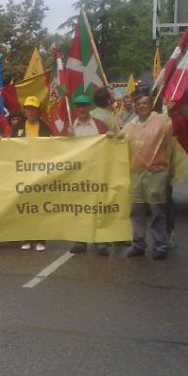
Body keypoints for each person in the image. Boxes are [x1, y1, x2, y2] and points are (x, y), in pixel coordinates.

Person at [123, 94, 175, 260]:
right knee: (137, 210)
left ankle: (160, 245)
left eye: (145, 103)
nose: (141, 106)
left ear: (151, 105)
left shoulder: (162, 120)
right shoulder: (130, 125)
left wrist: (173, 112)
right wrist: (110, 136)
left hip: (156, 173)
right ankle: (139, 244)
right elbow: (120, 140)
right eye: (139, 103)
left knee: (157, 211)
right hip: (136, 174)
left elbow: (176, 129)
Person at [69, 92, 111, 256]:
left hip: (97, 171)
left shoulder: (100, 125)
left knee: (99, 206)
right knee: (80, 207)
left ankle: (101, 240)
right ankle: (81, 240)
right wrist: (67, 137)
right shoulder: (70, 127)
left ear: (89, 107)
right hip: (78, 174)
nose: (82, 109)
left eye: (85, 105)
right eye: (79, 106)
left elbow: (112, 144)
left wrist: (112, 137)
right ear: (75, 108)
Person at [12, 96, 51, 251]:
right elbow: (11, 146)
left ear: (38, 111)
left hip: (40, 171)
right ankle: (26, 238)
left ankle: (41, 239)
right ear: (24, 110)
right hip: (22, 171)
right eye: (28, 108)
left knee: (40, 206)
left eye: (33, 108)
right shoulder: (18, 127)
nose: (30, 111)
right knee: (25, 206)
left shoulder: (45, 127)